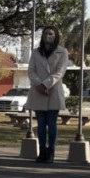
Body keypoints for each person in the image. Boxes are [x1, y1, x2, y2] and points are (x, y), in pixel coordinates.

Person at [25, 26, 68, 164]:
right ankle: (42, 151)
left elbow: (60, 72)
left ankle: (51, 151)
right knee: (41, 124)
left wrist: (46, 85)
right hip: (38, 92)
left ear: (55, 36)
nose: (48, 36)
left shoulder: (62, 52)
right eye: (45, 33)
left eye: (50, 33)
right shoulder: (36, 52)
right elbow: (31, 71)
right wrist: (38, 85)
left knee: (52, 123)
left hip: (53, 91)